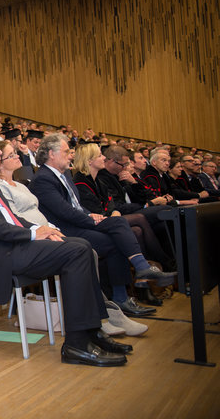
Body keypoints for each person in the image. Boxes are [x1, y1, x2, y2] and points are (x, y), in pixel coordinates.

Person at [0, 129, 130, 366]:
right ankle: (77, 343)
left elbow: (11, 217)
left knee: (82, 244)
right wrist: (31, 233)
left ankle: (92, 332)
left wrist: (42, 229)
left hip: (8, 245)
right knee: (77, 251)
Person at [29, 134, 176, 317]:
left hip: (78, 222)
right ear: (51, 153)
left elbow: (76, 205)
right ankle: (130, 285)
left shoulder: (63, 174)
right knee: (116, 234)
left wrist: (90, 214)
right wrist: (92, 220)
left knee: (118, 225)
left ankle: (135, 278)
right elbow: (64, 212)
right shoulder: (43, 179)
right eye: (67, 151)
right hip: (64, 230)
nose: (71, 155)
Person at [73, 143, 175, 274]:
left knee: (138, 230)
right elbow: (96, 210)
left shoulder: (98, 179)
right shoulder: (81, 181)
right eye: (100, 155)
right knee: (142, 217)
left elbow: (111, 203)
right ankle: (162, 266)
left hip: (112, 217)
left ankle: (149, 274)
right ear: (89, 161)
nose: (104, 157)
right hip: (97, 222)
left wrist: (115, 211)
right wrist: (114, 213)